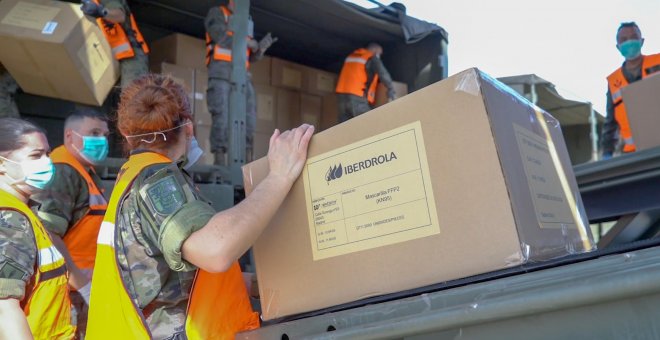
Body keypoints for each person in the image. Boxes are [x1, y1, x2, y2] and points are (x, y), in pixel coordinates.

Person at [86, 74, 314, 339]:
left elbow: (177, 280)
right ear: (189, 128)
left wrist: (259, 284)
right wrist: (280, 176)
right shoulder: (155, 179)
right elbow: (214, 250)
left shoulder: (132, 178)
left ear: (126, 135)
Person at [33, 108, 110, 338]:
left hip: (81, 289)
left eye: (105, 135)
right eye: (94, 133)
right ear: (70, 137)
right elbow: (48, 233)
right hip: (70, 292)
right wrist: (82, 282)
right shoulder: (62, 173)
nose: (102, 140)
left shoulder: (83, 172)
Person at [0, 118, 76, 339]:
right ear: (2, 163)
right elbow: (5, 310)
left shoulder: (23, 211)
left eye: (47, 154)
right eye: (35, 155)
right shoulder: (10, 218)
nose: (46, 162)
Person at [205, 0, 277, 164]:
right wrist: (249, 42)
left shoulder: (246, 21)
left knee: (249, 119)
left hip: (243, 76)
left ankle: (247, 161)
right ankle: (220, 161)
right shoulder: (218, 13)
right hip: (221, 74)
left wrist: (260, 49)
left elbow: (249, 55)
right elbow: (220, 36)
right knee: (221, 116)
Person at [601, 22, 660, 158]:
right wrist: (606, 154)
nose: (629, 42)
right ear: (618, 46)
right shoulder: (613, 82)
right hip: (635, 155)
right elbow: (610, 123)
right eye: (624, 39)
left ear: (642, 41)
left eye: (633, 37)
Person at [80, 0, 149, 88]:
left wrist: (101, 11)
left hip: (131, 55)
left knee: (132, 95)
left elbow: (120, 16)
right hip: (108, 57)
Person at [335, 43, 396, 123]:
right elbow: (383, 73)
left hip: (342, 96)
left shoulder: (351, 57)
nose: (379, 56)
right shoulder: (371, 57)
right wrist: (391, 89)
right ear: (374, 50)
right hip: (357, 96)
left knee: (344, 125)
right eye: (379, 53)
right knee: (366, 123)